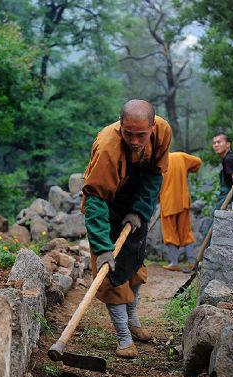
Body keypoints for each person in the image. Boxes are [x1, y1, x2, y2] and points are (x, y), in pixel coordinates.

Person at [81, 99, 171, 359]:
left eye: (141, 135)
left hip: (135, 200)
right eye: (128, 134)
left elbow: (155, 174)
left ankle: (133, 320)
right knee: (111, 271)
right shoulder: (108, 147)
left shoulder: (163, 132)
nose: (134, 140)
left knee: (134, 261)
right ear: (120, 127)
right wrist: (102, 247)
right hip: (105, 205)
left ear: (152, 127)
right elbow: (95, 199)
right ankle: (123, 337)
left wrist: (140, 210)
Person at [159, 152, 202, 272]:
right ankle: (192, 262)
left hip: (167, 202)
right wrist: (187, 170)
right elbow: (198, 162)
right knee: (186, 232)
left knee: (169, 233)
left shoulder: (158, 161)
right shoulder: (181, 157)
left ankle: (174, 263)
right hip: (183, 200)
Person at [212, 132, 233, 209]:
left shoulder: (229, 159)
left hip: (228, 200)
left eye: (219, 142)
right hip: (224, 197)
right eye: (214, 143)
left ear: (228, 144)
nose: (216, 145)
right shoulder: (226, 159)